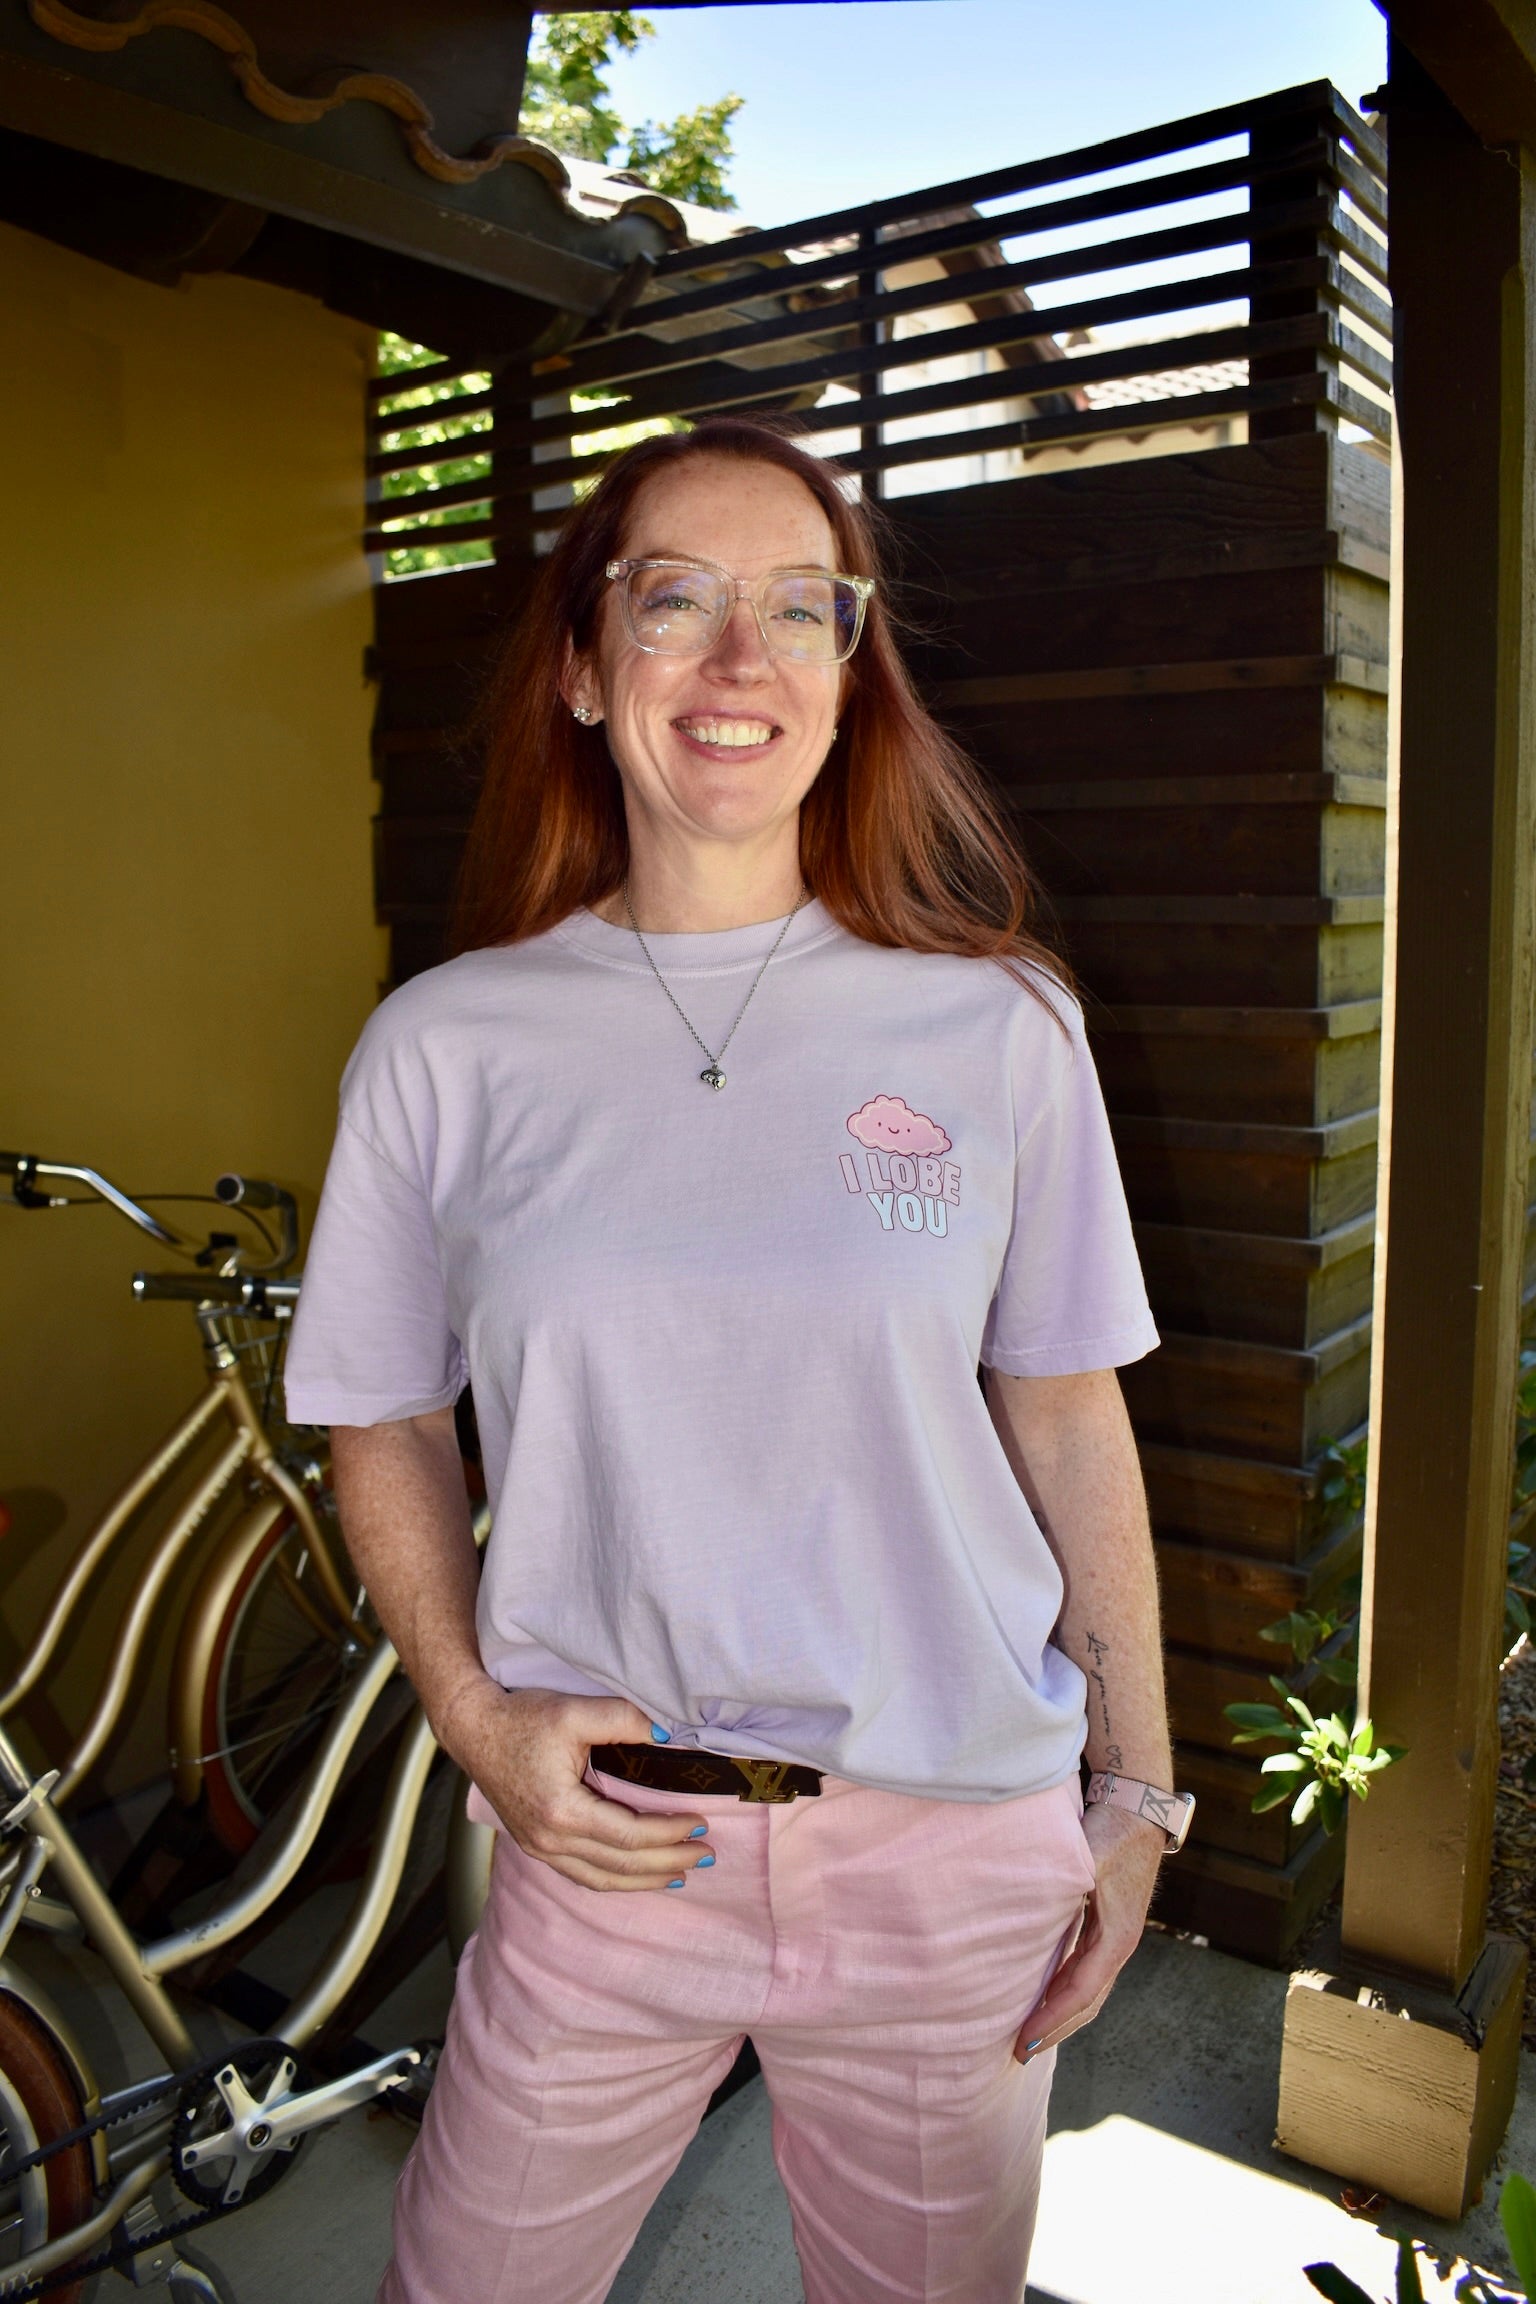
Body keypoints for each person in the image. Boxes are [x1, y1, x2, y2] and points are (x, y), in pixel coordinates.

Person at [284, 412, 1186, 2304]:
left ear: (852, 680)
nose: (740, 658)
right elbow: (378, 1413)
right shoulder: (444, 1047)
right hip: (607, 1847)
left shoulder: (999, 1029)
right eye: (675, 599)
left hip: (950, 1847)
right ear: (587, 667)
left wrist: (1134, 1796)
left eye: (803, 609)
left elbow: (1066, 1409)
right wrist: (474, 1716)